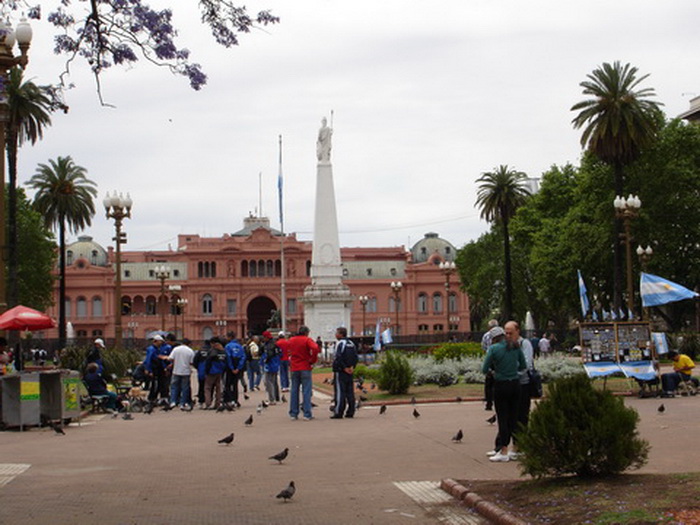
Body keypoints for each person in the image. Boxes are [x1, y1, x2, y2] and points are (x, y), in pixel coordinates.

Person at [482, 324, 526, 462]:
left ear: (494, 338)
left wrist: (495, 372)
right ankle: (515, 448)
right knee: (513, 417)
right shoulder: (516, 346)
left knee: (502, 418)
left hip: (501, 385)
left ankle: (503, 450)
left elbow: (484, 368)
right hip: (515, 385)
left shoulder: (493, 349)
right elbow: (523, 366)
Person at [277, 326, 319, 421]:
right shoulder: (307, 340)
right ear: (306, 333)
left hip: (294, 367)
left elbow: (287, 351)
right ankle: (307, 413)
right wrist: (312, 359)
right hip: (305, 366)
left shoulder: (291, 340)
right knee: (306, 391)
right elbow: (315, 348)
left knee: (294, 390)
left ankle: (293, 413)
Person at [330, 327, 358, 419]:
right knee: (350, 391)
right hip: (350, 370)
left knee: (340, 392)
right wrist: (352, 367)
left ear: (341, 334)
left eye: (337, 333)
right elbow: (355, 357)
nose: (335, 335)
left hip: (341, 371)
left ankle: (339, 411)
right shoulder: (351, 343)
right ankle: (351, 411)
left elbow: (338, 357)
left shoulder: (340, 343)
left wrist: (344, 367)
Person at [168, 338, 195, 409]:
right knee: (185, 388)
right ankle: (183, 403)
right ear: (189, 344)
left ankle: (173, 402)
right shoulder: (190, 351)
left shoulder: (176, 349)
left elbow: (170, 358)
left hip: (176, 370)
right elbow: (191, 362)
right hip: (186, 371)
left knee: (174, 387)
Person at [144, 335, 170, 402]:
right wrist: (149, 370)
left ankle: (155, 397)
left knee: (159, 384)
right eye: (160, 341)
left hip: (158, 368)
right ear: (156, 341)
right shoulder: (152, 349)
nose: (161, 343)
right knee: (154, 384)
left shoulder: (157, 349)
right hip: (154, 368)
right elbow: (148, 359)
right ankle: (151, 398)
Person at [204, 337, 227, 409]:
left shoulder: (212, 351)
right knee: (218, 387)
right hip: (220, 371)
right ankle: (217, 403)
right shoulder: (223, 351)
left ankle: (208, 403)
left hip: (212, 371)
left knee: (207, 387)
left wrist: (206, 371)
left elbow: (208, 362)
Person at [224, 333, 246, 407]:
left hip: (231, 367)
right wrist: (238, 368)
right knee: (235, 384)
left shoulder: (228, 346)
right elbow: (243, 357)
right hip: (238, 366)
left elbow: (228, 357)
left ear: (229, 337)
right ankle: (235, 400)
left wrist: (232, 368)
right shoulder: (240, 346)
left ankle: (229, 400)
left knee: (228, 384)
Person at [481, 319, 499, 411]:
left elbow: (483, 348)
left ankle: (489, 403)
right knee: (498, 382)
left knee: (488, 383)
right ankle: (498, 402)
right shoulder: (501, 335)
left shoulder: (486, 335)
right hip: (499, 360)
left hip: (489, 360)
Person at [261, 331, 281, 404]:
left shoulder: (269, 345)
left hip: (270, 365)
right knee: (273, 381)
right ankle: (276, 397)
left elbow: (269, 355)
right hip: (275, 364)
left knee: (268, 382)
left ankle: (272, 399)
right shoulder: (275, 344)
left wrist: (265, 360)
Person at [192, 340, 211, 408]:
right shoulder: (211, 351)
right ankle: (208, 401)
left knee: (201, 386)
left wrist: (198, 368)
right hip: (210, 372)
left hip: (201, 371)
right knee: (209, 387)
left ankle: (201, 401)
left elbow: (195, 361)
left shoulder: (200, 351)